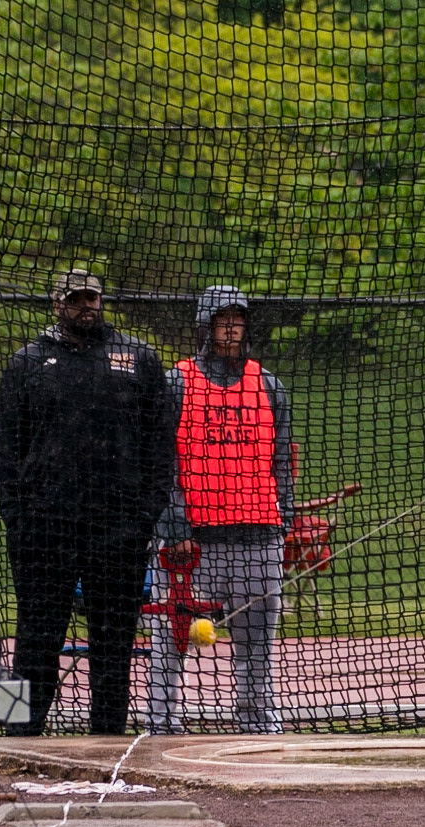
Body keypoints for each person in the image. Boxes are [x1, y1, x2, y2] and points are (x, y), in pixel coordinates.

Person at [0, 268, 174, 735]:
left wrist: (144, 517)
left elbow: (160, 446)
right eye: (76, 299)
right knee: (34, 638)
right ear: (59, 305)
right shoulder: (27, 361)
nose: (86, 306)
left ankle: (107, 743)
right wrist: (17, 518)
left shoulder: (138, 357)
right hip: (44, 528)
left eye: (92, 298)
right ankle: (18, 738)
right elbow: (8, 449)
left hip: (118, 529)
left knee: (113, 646)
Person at [147, 285, 294, 734]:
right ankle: (161, 722)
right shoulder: (177, 382)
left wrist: (284, 520)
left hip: (258, 537)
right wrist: (173, 526)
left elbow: (282, 462)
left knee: (257, 644)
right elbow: (158, 462)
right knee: (171, 639)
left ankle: (256, 719)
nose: (231, 328)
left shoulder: (268, 385)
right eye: (222, 320)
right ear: (205, 325)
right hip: (193, 542)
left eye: (238, 320)